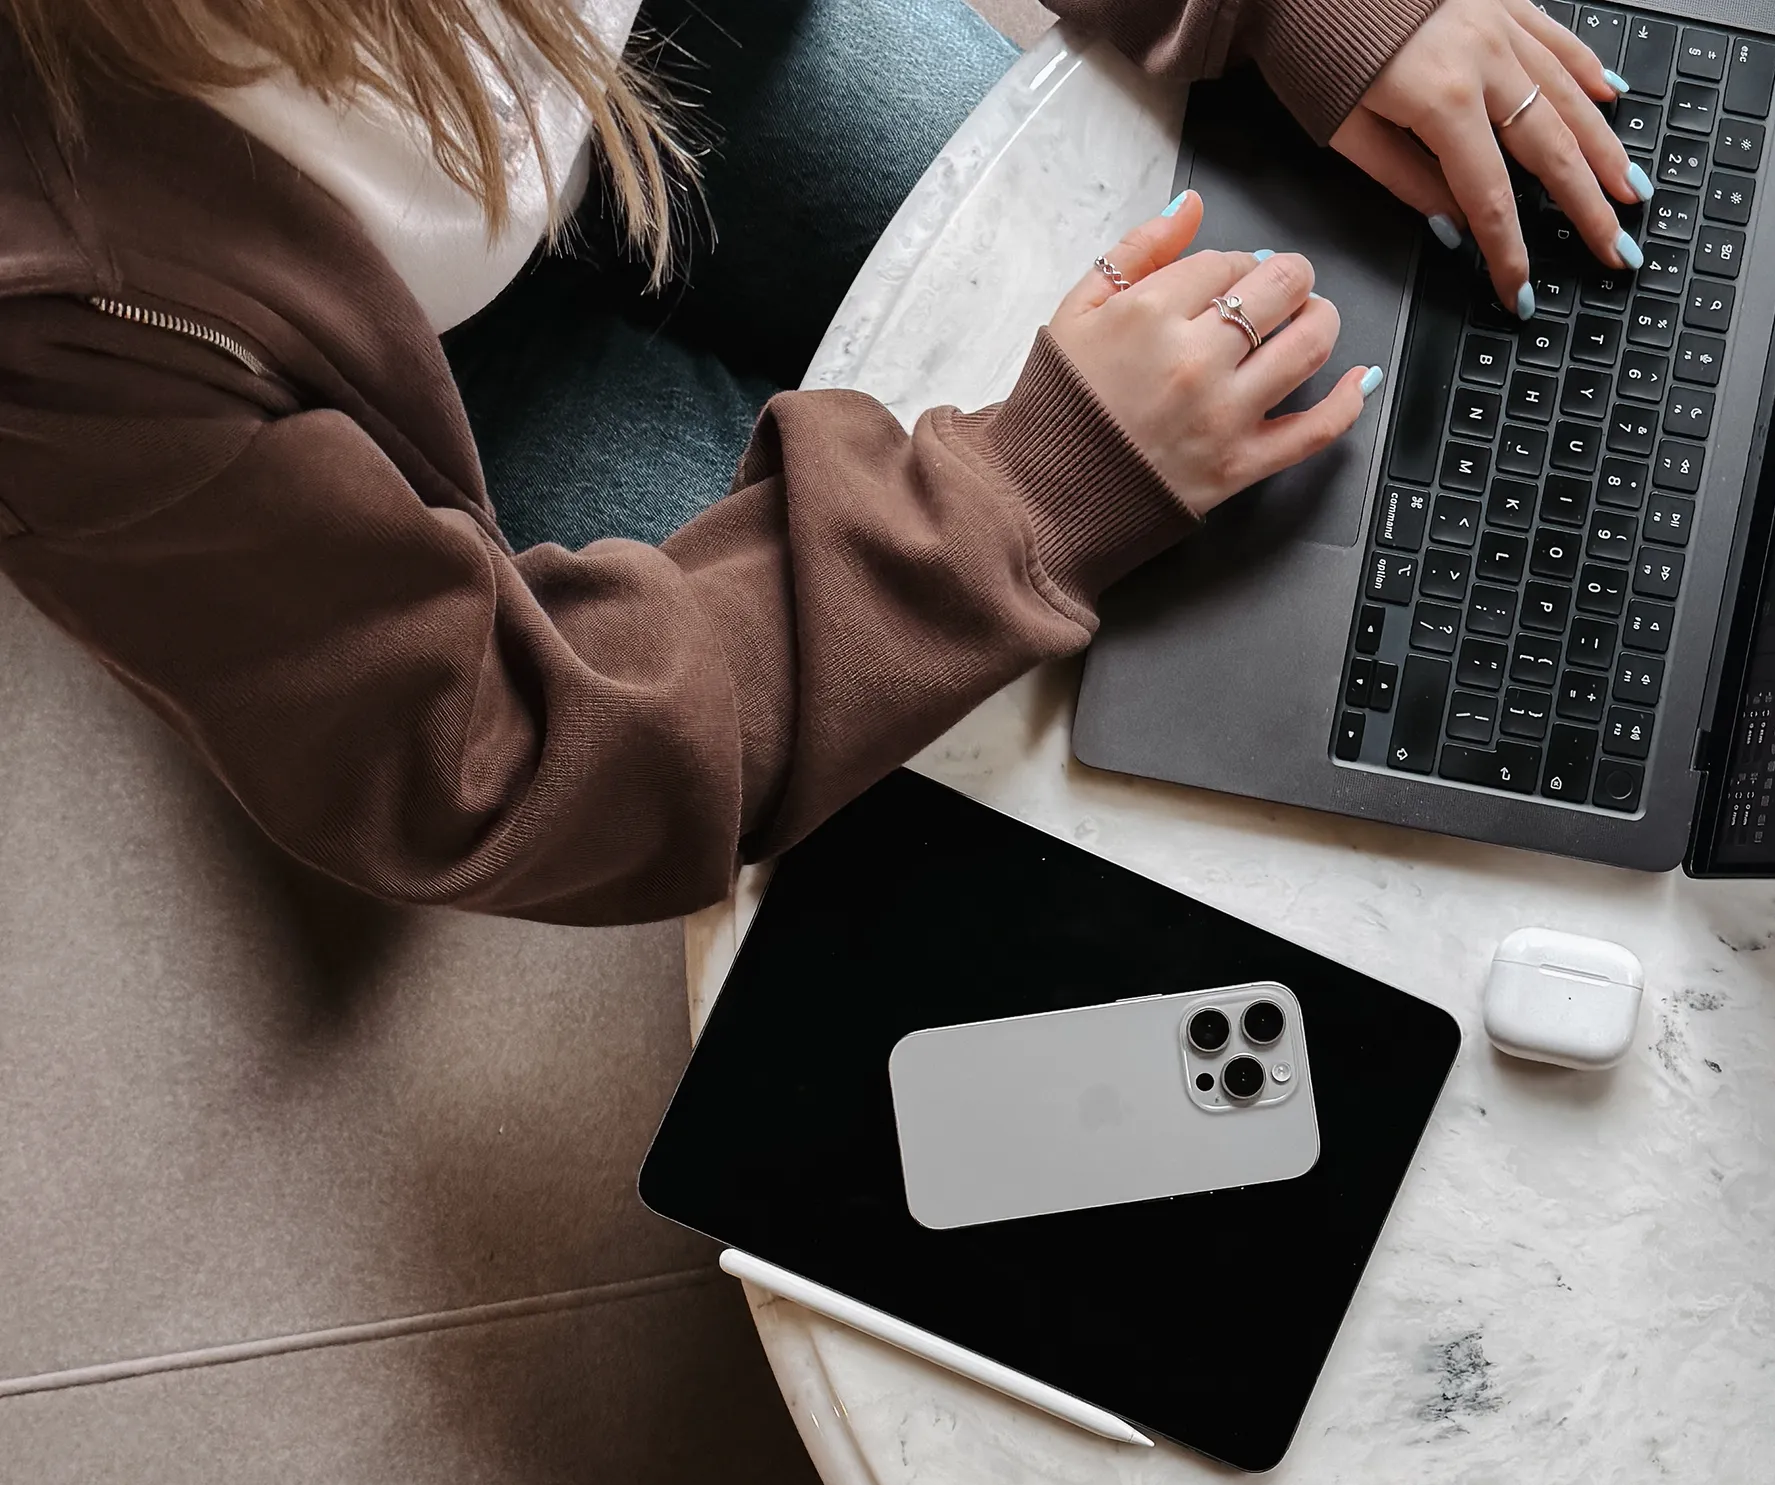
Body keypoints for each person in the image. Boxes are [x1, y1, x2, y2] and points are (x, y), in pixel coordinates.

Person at [0, 0, 1646, 923]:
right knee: (987, 781)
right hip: (392, 380)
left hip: (684, 43)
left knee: (1222, 473)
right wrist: (1031, 493)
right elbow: (488, 752)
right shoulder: (47, 311)